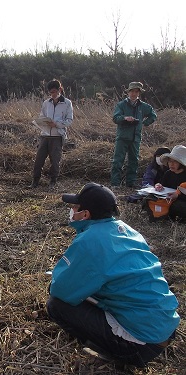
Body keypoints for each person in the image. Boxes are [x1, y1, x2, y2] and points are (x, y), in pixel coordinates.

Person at [47, 182, 179, 367]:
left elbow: (60, 289)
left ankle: (112, 352)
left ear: (85, 214)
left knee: (56, 305)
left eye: (75, 207)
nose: (71, 210)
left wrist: (56, 281)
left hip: (141, 343)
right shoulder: (127, 230)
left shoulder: (91, 240)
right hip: (164, 326)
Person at [111, 82, 157, 188]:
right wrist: (124, 118)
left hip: (136, 137)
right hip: (122, 137)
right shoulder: (121, 105)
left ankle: (131, 183)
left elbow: (153, 115)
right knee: (118, 160)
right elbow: (115, 118)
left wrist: (144, 123)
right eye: (132, 91)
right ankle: (115, 183)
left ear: (139, 93)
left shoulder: (143, 106)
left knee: (134, 161)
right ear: (128, 92)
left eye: (136, 91)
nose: (134, 93)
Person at [29, 79, 73, 188]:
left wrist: (57, 124)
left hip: (57, 136)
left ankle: (53, 182)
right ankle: (35, 182)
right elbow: (42, 116)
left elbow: (69, 120)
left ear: (60, 90)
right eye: (50, 93)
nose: (52, 94)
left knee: (55, 160)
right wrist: (43, 122)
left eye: (54, 92)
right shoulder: (46, 103)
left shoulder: (67, 103)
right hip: (45, 135)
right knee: (39, 159)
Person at [154, 145, 186, 221]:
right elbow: (163, 187)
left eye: (175, 161)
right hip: (168, 199)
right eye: (170, 161)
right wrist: (158, 186)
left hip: (180, 202)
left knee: (177, 206)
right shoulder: (168, 173)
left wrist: (177, 196)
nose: (171, 164)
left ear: (181, 163)